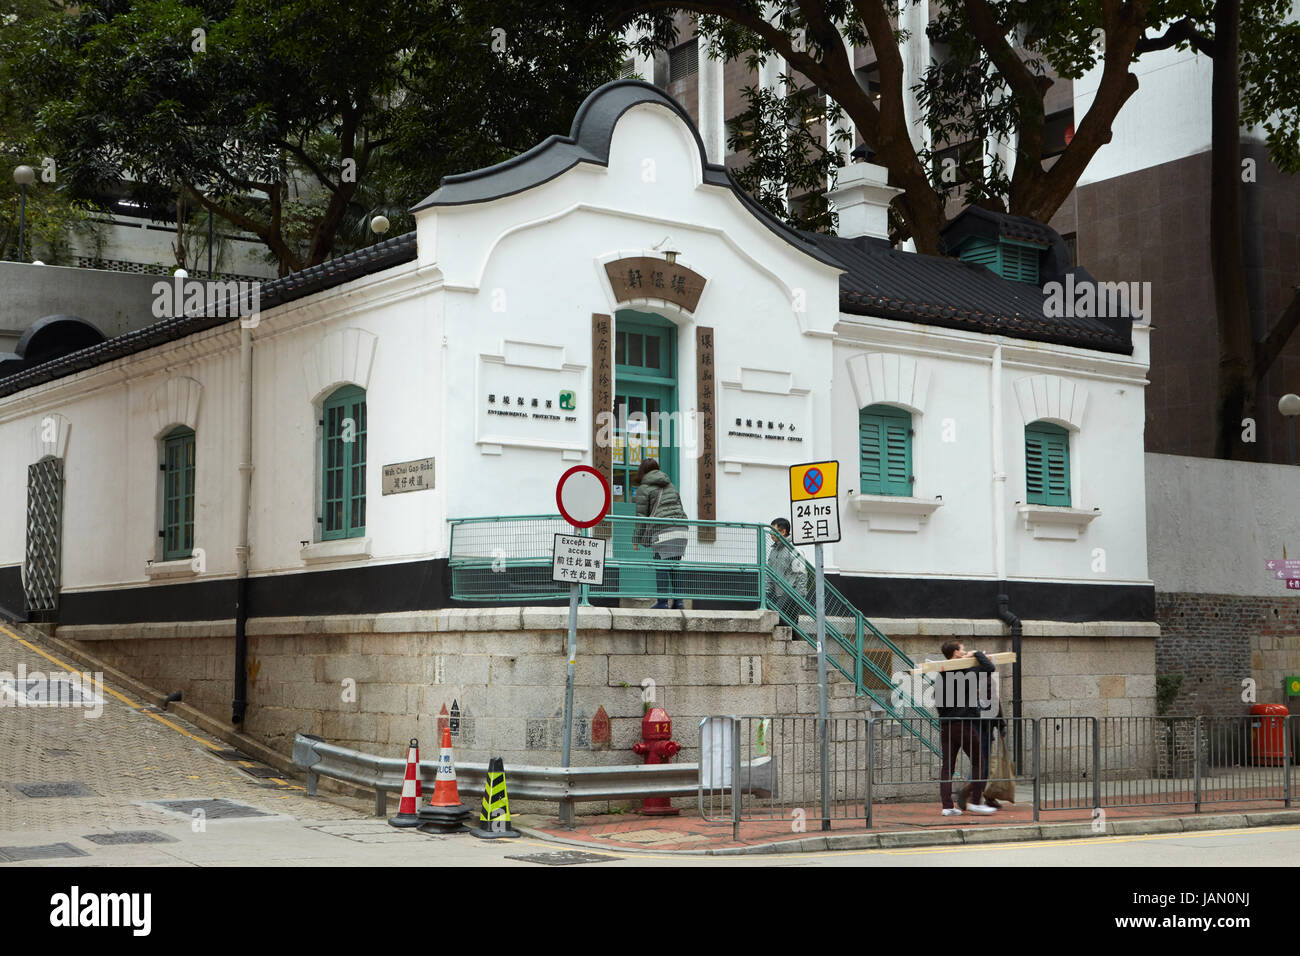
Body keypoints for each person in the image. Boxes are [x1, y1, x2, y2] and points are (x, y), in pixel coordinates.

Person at [935, 641, 997, 817]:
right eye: (962, 649)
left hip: (946, 725)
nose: (965, 651)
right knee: (979, 761)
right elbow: (989, 667)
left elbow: (937, 699)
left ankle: (947, 806)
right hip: (964, 724)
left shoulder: (942, 674)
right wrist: (976, 653)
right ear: (956, 653)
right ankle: (976, 802)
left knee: (947, 766)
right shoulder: (967, 672)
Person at [633, 459, 688, 609]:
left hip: (663, 530)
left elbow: (641, 517)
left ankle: (662, 603)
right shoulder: (671, 485)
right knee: (675, 566)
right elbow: (679, 507)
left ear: (642, 471)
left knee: (661, 565)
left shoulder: (644, 488)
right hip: (681, 529)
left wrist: (636, 539)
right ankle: (679, 602)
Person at [766, 518, 806, 630]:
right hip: (778, 594)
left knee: (782, 623)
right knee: (786, 628)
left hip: (791, 594)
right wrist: (766, 592)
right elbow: (769, 572)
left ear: (783, 532)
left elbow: (801, 574)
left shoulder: (793, 548)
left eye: (773, 531)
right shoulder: (774, 550)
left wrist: (800, 598)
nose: (770, 534)